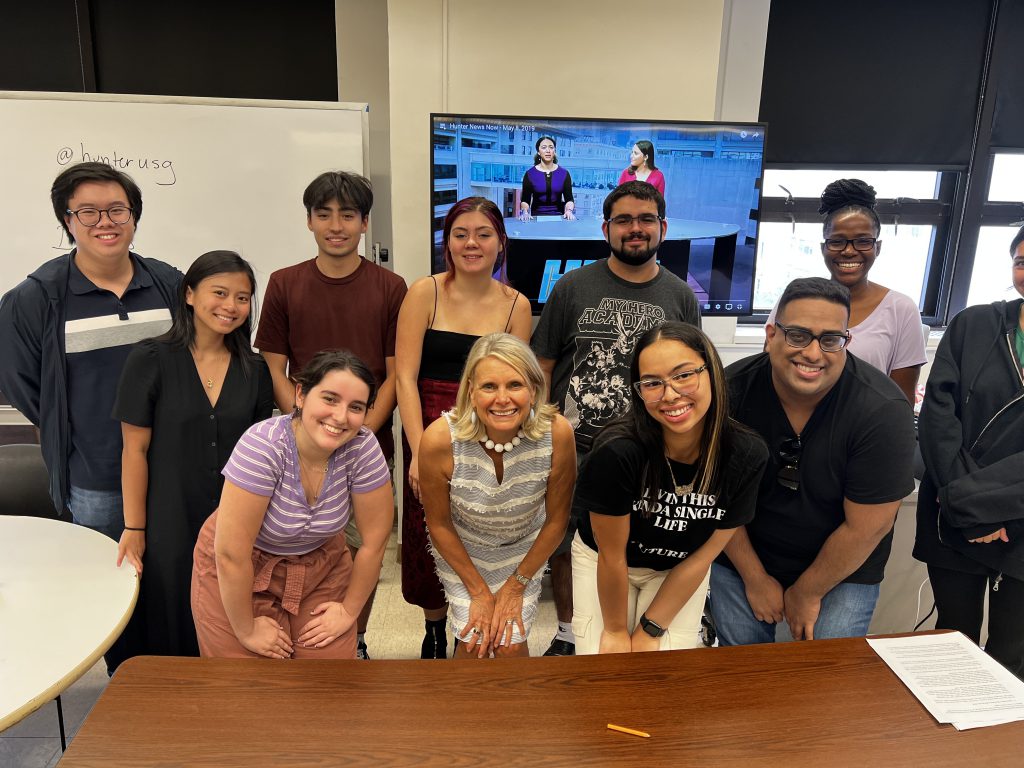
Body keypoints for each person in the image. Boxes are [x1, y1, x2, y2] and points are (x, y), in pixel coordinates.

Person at [531, 180, 702, 656]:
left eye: (646, 220)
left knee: (631, 546)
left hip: (648, 455)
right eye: (624, 220)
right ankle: (569, 630)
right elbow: (543, 366)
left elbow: (691, 376)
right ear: (606, 228)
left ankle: (625, 624)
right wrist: (544, 435)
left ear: (663, 228)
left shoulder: (680, 296)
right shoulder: (572, 287)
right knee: (565, 542)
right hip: (575, 447)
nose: (635, 229)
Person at [711, 277, 916, 644]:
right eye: (798, 335)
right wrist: (755, 578)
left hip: (843, 565)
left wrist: (807, 591)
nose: (813, 353)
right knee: (740, 677)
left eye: (830, 339)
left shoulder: (882, 411)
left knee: (827, 681)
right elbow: (717, 501)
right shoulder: (729, 392)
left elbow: (868, 526)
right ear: (771, 334)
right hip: (745, 552)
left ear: (846, 341)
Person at [255, 171, 407, 659]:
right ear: (309, 221)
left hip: (367, 448)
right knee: (295, 547)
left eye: (347, 215)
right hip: (294, 448)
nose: (335, 225)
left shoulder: (390, 287)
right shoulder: (283, 284)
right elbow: (274, 367)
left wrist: (357, 432)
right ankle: (295, 635)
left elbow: (393, 375)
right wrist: (304, 428)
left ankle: (354, 638)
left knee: (363, 548)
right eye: (324, 214)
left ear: (365, 223)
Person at [0, 162, 181, 540]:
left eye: (117, 209)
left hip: (174, 468)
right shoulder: (36, 298)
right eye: (88, 212)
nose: (105, 222)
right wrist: (71, 425)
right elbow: (21, 382)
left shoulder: (169, 285)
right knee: (107, 579)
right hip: (95, 477)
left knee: (172, 578)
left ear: (133, 217)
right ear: (68, 222)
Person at [112, 251, 274, 658]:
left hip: (235, 512)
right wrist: (135, 528)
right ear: (189, 295)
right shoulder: (150, 358)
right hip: (170, 510)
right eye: (219, 293)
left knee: (231, 604)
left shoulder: (254, 369)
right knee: (170, 608)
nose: (231, 306)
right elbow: (135, 449)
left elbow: (260, 450)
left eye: (242, 297)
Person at [572, 322, 767, 654]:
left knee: (663, 673)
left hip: (680, 567)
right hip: (606, 562)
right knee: (605, 668)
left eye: (684, 375)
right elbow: (611, 555)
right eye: (652, 383)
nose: (671, 394)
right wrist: (617, 632)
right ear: (638, 390)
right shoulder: (616, 452)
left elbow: (704, 556)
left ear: (712, 373)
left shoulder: (746, 455)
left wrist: (650, 629)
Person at [191, 350, 393, 659]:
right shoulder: (263, 445)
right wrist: (245, 630)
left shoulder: (362, 447)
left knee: (326, 679)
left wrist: (349, 611)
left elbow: (374, 542)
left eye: (356, 407)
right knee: (244, 683)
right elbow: (232, 554)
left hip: (320, 563)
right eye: (329, 399)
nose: (340, 417)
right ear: (300, 394)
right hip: (241, 562)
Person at [396, 197, 531, 658]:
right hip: (426, 427)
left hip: (485, 431)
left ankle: (472, 618)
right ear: (447, 242)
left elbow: (514, 386)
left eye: (483, 234)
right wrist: (418, 451)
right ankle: (435, 627)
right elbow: (404, 378)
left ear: (501, 243)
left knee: (474, 526)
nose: (471, 243)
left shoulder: (516, 305)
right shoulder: (424, 292)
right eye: (460, 233)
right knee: (425, 530)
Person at [418, 333, 576, 658]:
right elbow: (440, 525)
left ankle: (515, 709)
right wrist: (478, 591)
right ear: (471, 392)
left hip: (524, 550)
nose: (502, 399)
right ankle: (463, 709)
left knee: (510, 644)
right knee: (475, 640)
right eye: (489, 386)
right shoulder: (438, 440)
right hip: (463, 549)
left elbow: (557, 521)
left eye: (515, 385)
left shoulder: (557, 433)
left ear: (533, 390)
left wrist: (515, 586)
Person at [913, 225, 1024, 677]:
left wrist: (987, 506)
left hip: (1014, 522)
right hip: (953, 516)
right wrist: (970, 510)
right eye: (1021, 261)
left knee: (1013, 654)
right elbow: (938, 419)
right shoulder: (974, 324)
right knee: (951, 642)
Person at [765, 179, 926, 403]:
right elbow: (768, 372)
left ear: (877, 247)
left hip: (866, 431)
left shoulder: (902, 309)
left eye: (862, 241)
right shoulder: (796, 299)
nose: (849, 251)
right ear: (823, 248)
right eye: (837, 241)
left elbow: (901, 402)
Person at [519, 136, 576, 220]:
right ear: (538, 152)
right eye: (544, 147)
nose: (548, 151)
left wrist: (569, 211)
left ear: (554, 151)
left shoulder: (564, 173)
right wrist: (525, 212)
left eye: (551, 147)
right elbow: (525, 200)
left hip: (559, 217)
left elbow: (569, 199)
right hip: (536, 217)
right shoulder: (530, 174)